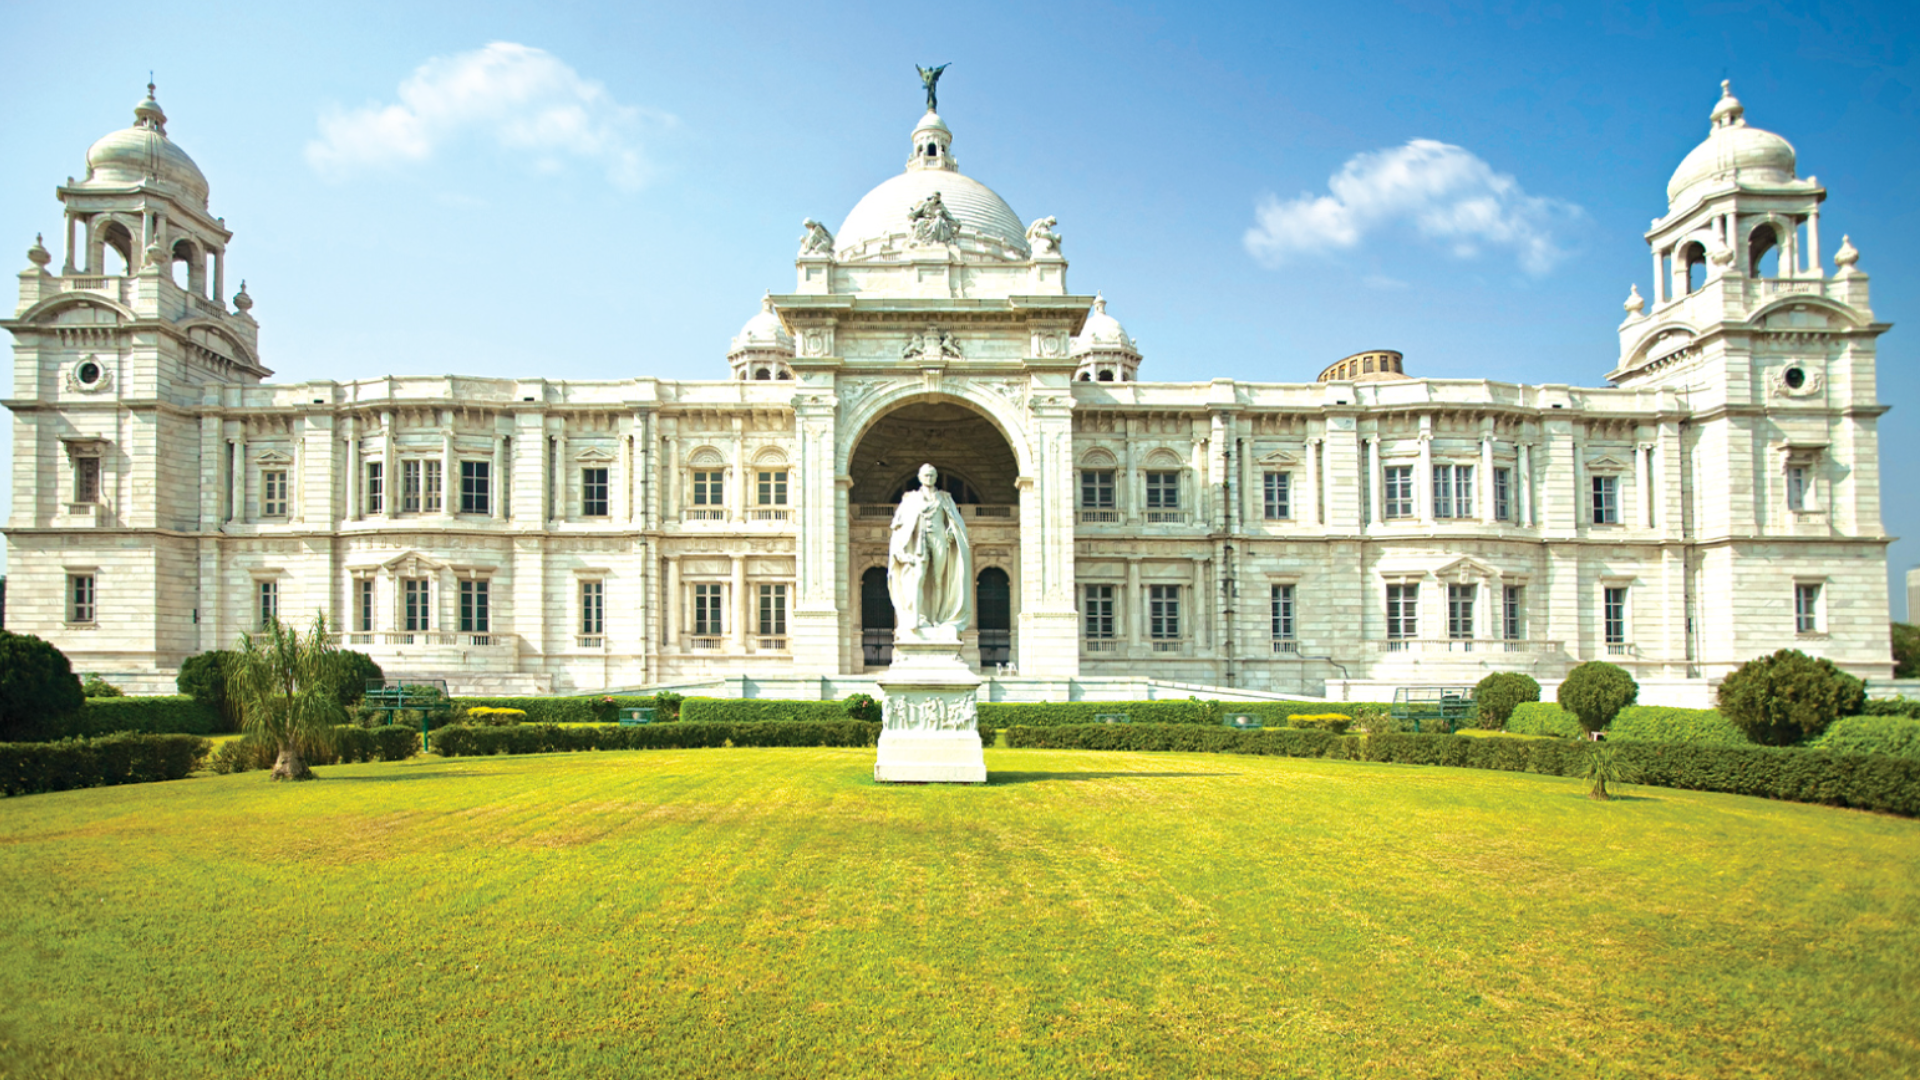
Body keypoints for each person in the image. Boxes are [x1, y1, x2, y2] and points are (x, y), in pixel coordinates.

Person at [887, 463, 972, 639]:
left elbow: (955, 520)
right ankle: (916, 619)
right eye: (926, 475)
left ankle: (937, 620)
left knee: (938, 580)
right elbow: (897, 523)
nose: (929, 478)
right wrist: (900, 546)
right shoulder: (910, 498)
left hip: (940, 539)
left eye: (932, 475)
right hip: (919, 542)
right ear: (919, 477)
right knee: (918, 578)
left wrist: (952, 530)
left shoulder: (944, 498)